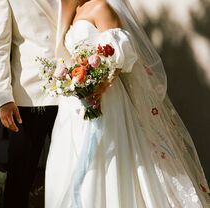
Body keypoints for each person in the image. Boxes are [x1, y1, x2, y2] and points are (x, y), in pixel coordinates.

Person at [45, 0, 210, 207]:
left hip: (105, 98)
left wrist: (100, 86)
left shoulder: (101, 7)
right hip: (76, 104)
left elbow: (118, 54)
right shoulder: (75, 11)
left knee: (107, 162)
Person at [0, 0, 76, 207]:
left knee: (71, 175)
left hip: (73, 95)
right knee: (20, 179)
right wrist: (4, 97)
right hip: (29, 97)